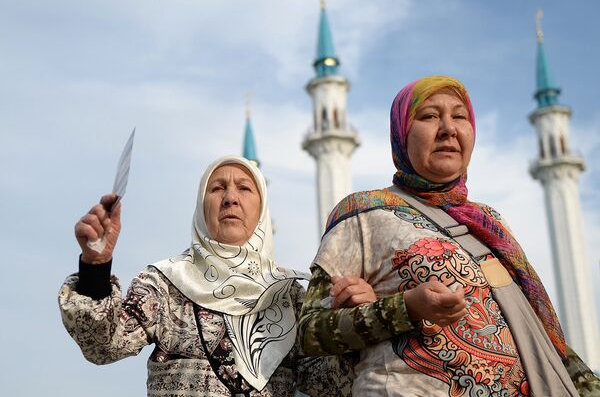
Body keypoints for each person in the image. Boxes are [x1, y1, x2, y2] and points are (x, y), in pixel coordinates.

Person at [299, 75, 600, 396]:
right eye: (429, 116)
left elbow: (539, 331)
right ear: (401, 132)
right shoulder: (363, 212)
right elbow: (310, 334)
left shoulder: (489, 222)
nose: (448, 128)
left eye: (460, 116)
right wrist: (406, 308)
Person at [59, 156, 356, 396]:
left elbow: (327, 384)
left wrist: (350, 321)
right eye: (217, 188)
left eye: (244, 188)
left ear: (262, 207)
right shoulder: (165, 284)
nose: (230, 198)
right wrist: (96, 266)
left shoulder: (289, 296)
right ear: (201, 207)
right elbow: (104, 344)